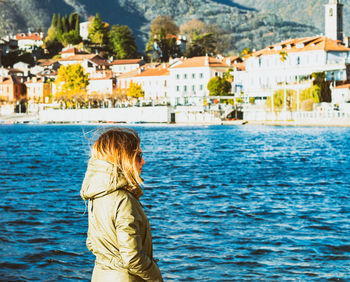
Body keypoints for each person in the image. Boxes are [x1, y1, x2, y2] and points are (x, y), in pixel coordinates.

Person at [80, 127, 163, 282]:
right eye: (139, 156)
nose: (143, 161)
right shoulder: (124, 200)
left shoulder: (97, 193)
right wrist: (156, 277)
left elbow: (91, 243)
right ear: (123, 158)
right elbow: (132, 257)